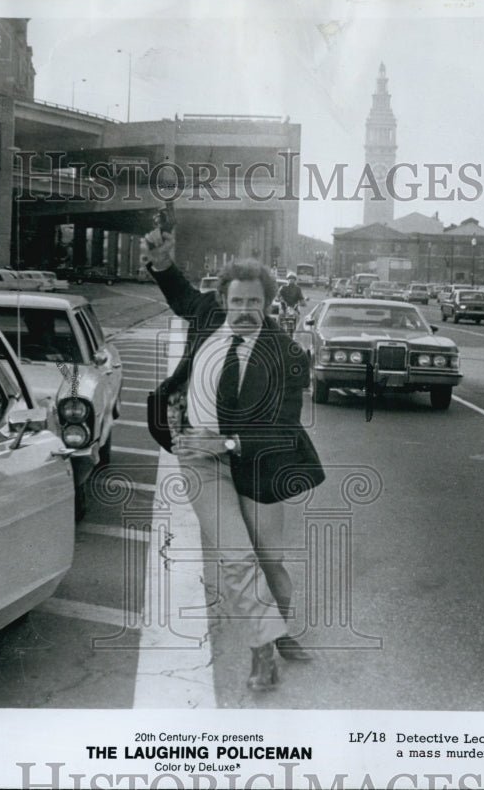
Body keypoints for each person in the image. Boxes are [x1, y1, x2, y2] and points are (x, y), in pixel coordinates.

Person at [142, 229, 325, 692]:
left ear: (269, 304)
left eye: (254, 303)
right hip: (200, 464)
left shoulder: (287, 354)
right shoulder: (206, 314)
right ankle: (263, 654)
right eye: (237, 301)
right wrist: (162, 261)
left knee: (269, 561)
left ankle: (279, 631)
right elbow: (180, 292)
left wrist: (224, 443)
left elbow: (282, 428)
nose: (244, 311)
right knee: (238, 558)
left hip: (256, 461)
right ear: (223, 300)